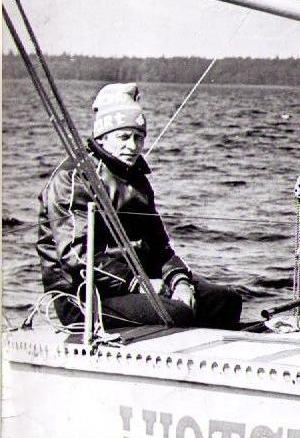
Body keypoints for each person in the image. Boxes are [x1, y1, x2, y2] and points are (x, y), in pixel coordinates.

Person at [36, 82, 243, 330]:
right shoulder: (74, 178)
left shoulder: (136, 178)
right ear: (102, 137)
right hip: (84, 296)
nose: (133, 146)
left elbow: (159, 246)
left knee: (226, 300)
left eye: (139, 137)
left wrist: (179, 281)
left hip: (140, 281)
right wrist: (138, 284)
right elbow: (77, 256)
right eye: (124, 137)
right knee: (177, 313)